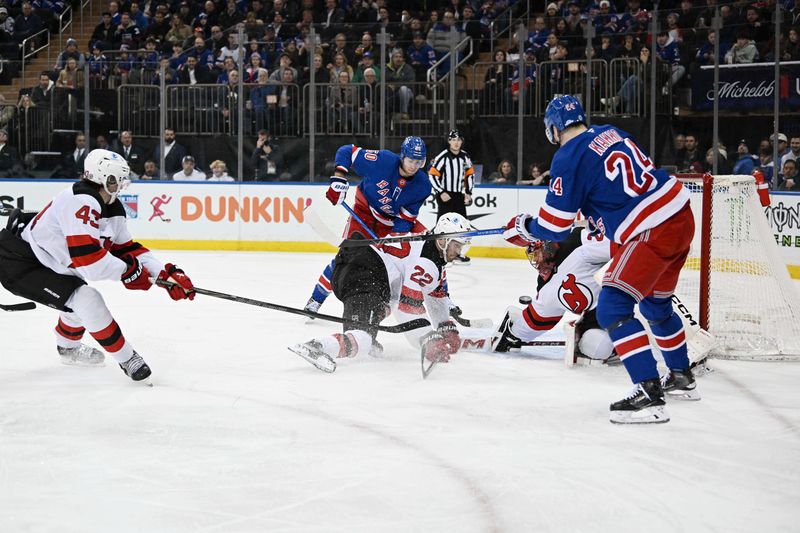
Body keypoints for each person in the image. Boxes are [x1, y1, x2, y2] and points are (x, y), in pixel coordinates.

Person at [503, 95, 697, 424]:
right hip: (680, 213)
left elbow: (554, 227)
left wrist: (525, 226)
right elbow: (618, 187)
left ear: (552, 128)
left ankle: (650, 396)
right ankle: (681, 376)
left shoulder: (567, 156)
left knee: (613, 306)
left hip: (650, 228)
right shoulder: (610, 131)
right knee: (655, 305)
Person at [0, 149, 195, 381]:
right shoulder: (79, 201)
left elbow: (126, 249)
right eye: (118, 179)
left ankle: (67, 348)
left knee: (74, 301)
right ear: (105, 178)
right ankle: (128, 358)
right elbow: (90, 262)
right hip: (23, 262)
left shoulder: (111, 207)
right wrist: (129, 272)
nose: (122, 184)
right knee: (86, 299)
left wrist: (162, 274)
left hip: (53, 264)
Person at [290, 213, 471, 371]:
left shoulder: (431, 253)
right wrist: (428, 338)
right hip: (366, 277)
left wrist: (444, 325)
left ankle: (360, 333)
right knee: (363, 341)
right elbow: (407, 307)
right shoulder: (427, 261)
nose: (459, 251)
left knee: (371, 339)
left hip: (358, 271)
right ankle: (317, 347)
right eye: (456, 245)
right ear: (442, 240)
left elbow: (435, 296)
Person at [304, 137, 430, 314]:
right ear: (402, 156)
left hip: (389, 224)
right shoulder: (383, 160)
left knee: (391, 264)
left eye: (419, 162)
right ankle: (315, 300)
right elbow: (346, 151)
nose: (414, 166)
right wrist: (338, 179)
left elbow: (406, 218)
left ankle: (428, 299)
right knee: (346, 256)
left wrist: (393, 238)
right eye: (411, 160)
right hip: (363, 212)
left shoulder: (423, 185)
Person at [491, 228, 616, 364]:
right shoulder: (545, 285)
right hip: (598, 315)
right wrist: (514, 334)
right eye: (534, 255)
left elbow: (622, 244)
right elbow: (538, 320)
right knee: (597, 347)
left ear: (549, 244)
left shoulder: (578, 242)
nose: (538, 260)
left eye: (539, 252)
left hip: (627, 297)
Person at [428, 129, 475, 263]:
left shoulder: (465, 157)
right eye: (453, 140)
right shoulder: (443, 156)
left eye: (458, 140)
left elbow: (470, 174)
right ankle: (436, 251)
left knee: (463, 225)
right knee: (441, 225)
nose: (456, 142)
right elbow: (432, 174)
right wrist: (440, 192)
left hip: (458, 196)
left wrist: (468, 192)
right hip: (445, 195)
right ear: (449, 141)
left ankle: (458, 252)